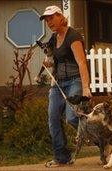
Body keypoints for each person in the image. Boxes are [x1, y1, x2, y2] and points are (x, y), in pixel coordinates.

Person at [39, 5, 92, 167]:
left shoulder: (73, 36)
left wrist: (85, 88)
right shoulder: (54, 38)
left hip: (75, 81)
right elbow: (53, 58)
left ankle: (101, 139)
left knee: (71, 117)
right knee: (53, 118)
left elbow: (82, 62)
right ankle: (62, 157)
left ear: (61, 17)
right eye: (46, 20)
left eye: (52, 18)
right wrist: (48, 62)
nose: (49, 22)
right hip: (58, 84)